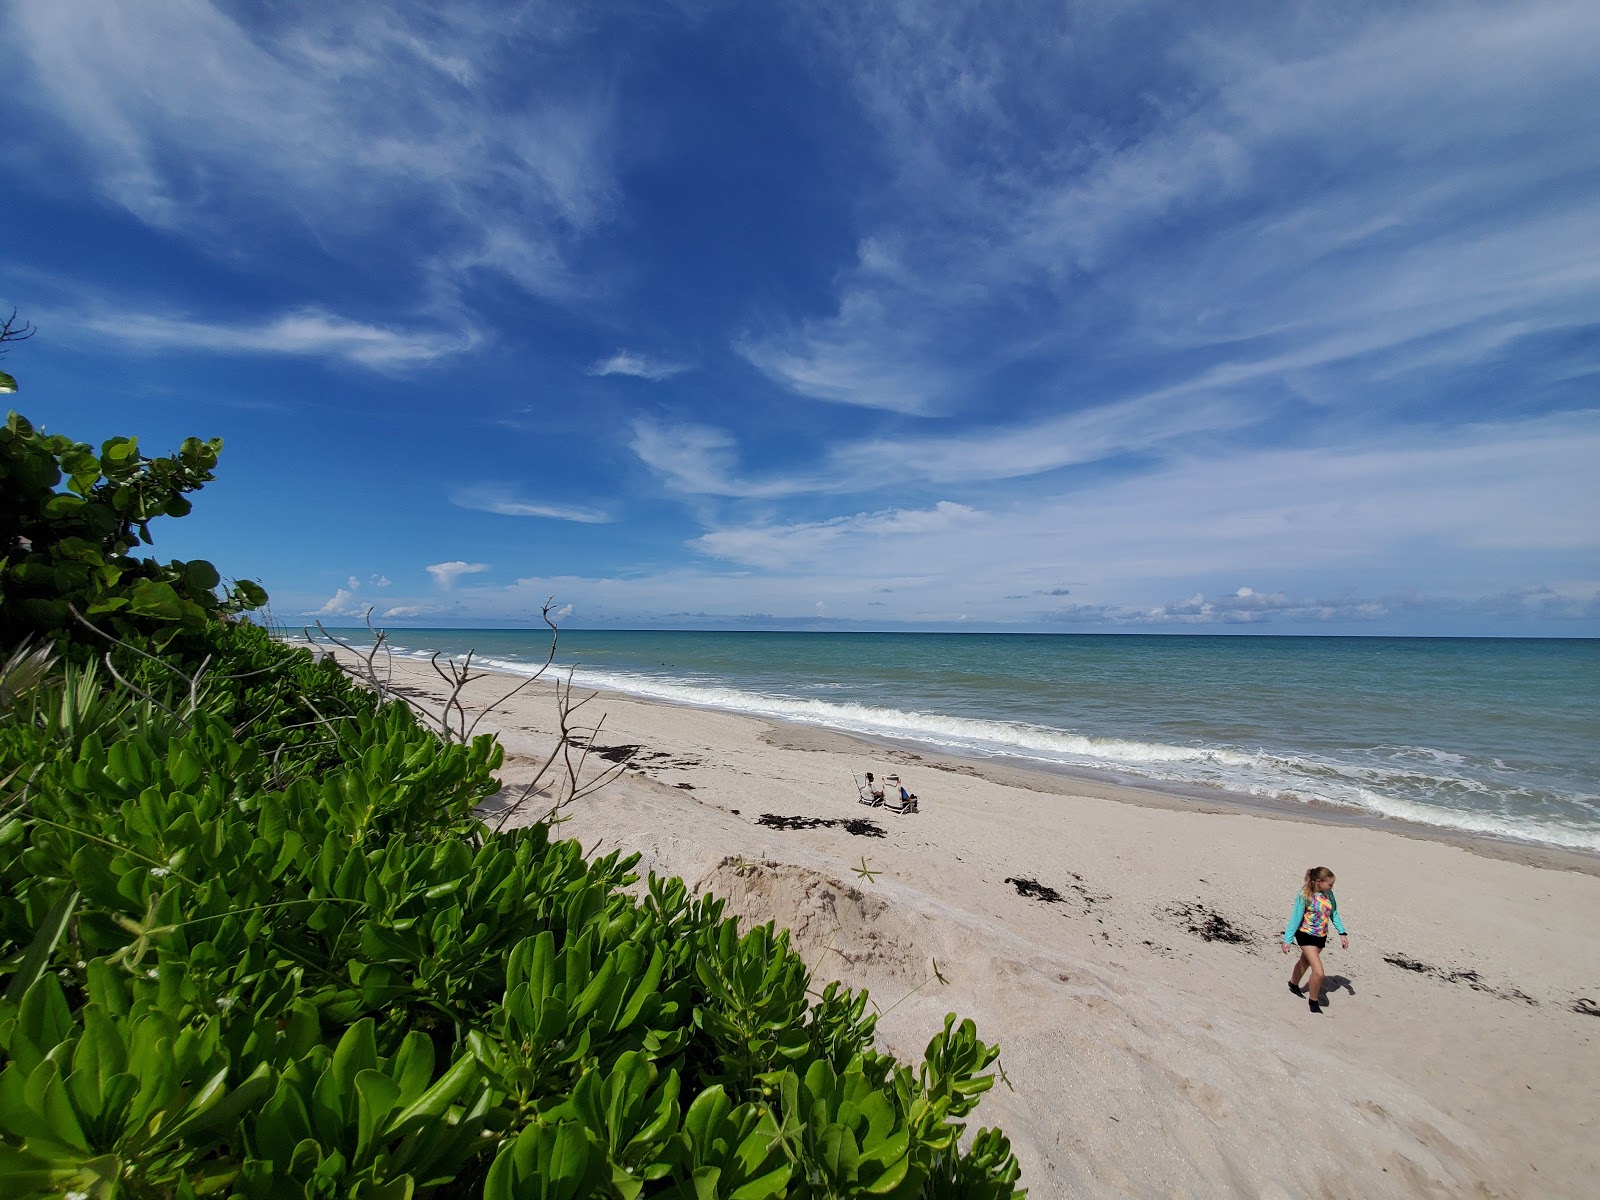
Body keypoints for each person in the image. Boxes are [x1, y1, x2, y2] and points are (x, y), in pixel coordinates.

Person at [1282, 866, 1349, 1014]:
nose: (1332, 887)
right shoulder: (1304, 895)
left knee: (1305, 962)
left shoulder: (1329, 894)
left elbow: (1334, 913)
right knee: (1318, 972)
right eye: (1329, 884)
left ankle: (1293, 984)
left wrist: (1342, 933)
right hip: (1305, 935)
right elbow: (1295, 918)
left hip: (1321, 936)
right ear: (1319, 882)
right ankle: (1313, 1001)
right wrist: (1287, 940)